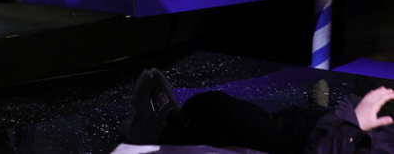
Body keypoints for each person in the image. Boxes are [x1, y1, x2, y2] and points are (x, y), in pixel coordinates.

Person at [123, 68, 394, 154]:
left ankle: (158, 128)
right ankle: (173, 122)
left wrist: (354, 125)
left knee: (213, 107)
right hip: (332, 129)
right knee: (219, 115)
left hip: (324, 141)